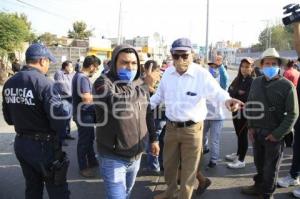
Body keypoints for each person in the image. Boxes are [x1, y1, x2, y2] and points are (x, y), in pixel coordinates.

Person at [151, 38, 243, 199]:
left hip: (192, 130)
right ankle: (170, 192)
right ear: (171, 55)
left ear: (191, 55)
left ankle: (184, 196)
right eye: (176, 55)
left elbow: (217, 93)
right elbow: (159, 95)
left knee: (189, 169)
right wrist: (143, 106)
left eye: (184, 55)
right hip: (171, 128)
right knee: (169, 165)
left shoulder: (201, 75)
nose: (180, 60)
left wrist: (227, 100)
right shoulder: (168, 75)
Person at [2, 43, 70, 199]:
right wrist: (60, 136)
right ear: (42, 61)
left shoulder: (9, 83)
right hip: (44, 147)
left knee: (32, 188)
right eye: (48, 62)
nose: (48, 66)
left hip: (21, 144)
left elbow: (9, 119)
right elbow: (58, 119)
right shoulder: (45, 84)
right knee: (58, 189)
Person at [93, 45, 159, 199]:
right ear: (115, 63)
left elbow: (148, 113)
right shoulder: (102, 82)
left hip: (136, 156)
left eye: (133, 63)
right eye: (124, 63)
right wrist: (144, 86)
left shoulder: (139, 83)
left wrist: (154, 139)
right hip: (113, 157)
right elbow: (118, 105)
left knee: (127, 193)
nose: (130, 67)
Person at [242, 48, 299, 199]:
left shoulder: (287, 86)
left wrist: (277, 134)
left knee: (271, 167)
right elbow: (251, 105)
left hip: (274, 134)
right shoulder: (256, 82)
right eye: (267, 63)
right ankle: (258, 186)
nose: (270, 66)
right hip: (257, 132)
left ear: (279, 65)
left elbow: (293, 113)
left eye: (274, 63)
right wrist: (250, 126)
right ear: (261, 65)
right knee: (259, 163)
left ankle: (267, 194)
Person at [72, 55, 100, 178]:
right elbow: (86, 98)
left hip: (83, 114)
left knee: (89, 139)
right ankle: (83, 167)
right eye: (96, 68)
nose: (97, 70)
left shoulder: (78, 75)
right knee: (84, 141)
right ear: (92, 66)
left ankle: (92, 161)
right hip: (84, 114)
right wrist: (100, 97)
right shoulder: (83, 78)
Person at [226, 57, 255, 169]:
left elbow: (248, 97)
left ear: (252, 68)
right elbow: (230, 90)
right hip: (235, 111)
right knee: (238, 134)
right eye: (242, 66)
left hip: (245, 113)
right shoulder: (238, 78)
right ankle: (238, 154)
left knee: (243, 135)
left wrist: (236, 93)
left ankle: (241, 159)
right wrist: (238, 92)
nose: (244, 69)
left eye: (247, 67)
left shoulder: (253, 81)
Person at [202, 57, 229, 168]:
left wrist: (221, 66)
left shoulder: (220, 83)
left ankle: (214, 159)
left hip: (217, 116)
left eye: (215, 67)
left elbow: (225, 79)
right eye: (211, 67)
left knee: (214, 140)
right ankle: (205, 148)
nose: (213, 69)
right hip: (204, 115)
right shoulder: (204, 81)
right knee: (201, 136)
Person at [142, 60, 166, 174]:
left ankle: (154, 165)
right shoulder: (161, 78)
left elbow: (159, 97)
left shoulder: (159, 80)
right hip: (159, 115)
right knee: (159, 140)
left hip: (158, 115)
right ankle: (158, 163)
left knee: (154, 140)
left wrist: (150, 87)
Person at [54, 60, 76, 146]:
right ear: (65, 67)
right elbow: (62, 86)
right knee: (63, 118)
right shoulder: (59, 73)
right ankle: (61, 138)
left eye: (72, 66)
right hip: (63, 98)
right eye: (70, 66)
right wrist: (72, 93)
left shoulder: (72, 74)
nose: (71, 68)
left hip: (70, 98)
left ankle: (67, 134)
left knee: (68, 117)